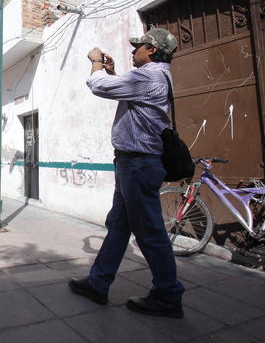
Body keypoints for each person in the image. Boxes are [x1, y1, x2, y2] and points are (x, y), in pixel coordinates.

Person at [68, 28, 185, 319]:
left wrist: (95, 61)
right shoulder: (156, 76)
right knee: (119, 226)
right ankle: (98, 283)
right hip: (133, 163)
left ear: (153, 51)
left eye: (138, 47)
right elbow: (131, 93)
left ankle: (168, 295)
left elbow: (98, 85)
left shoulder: (149, 76)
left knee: (149, 231)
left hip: (138, 164)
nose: (133, 51)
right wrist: (114, 71)